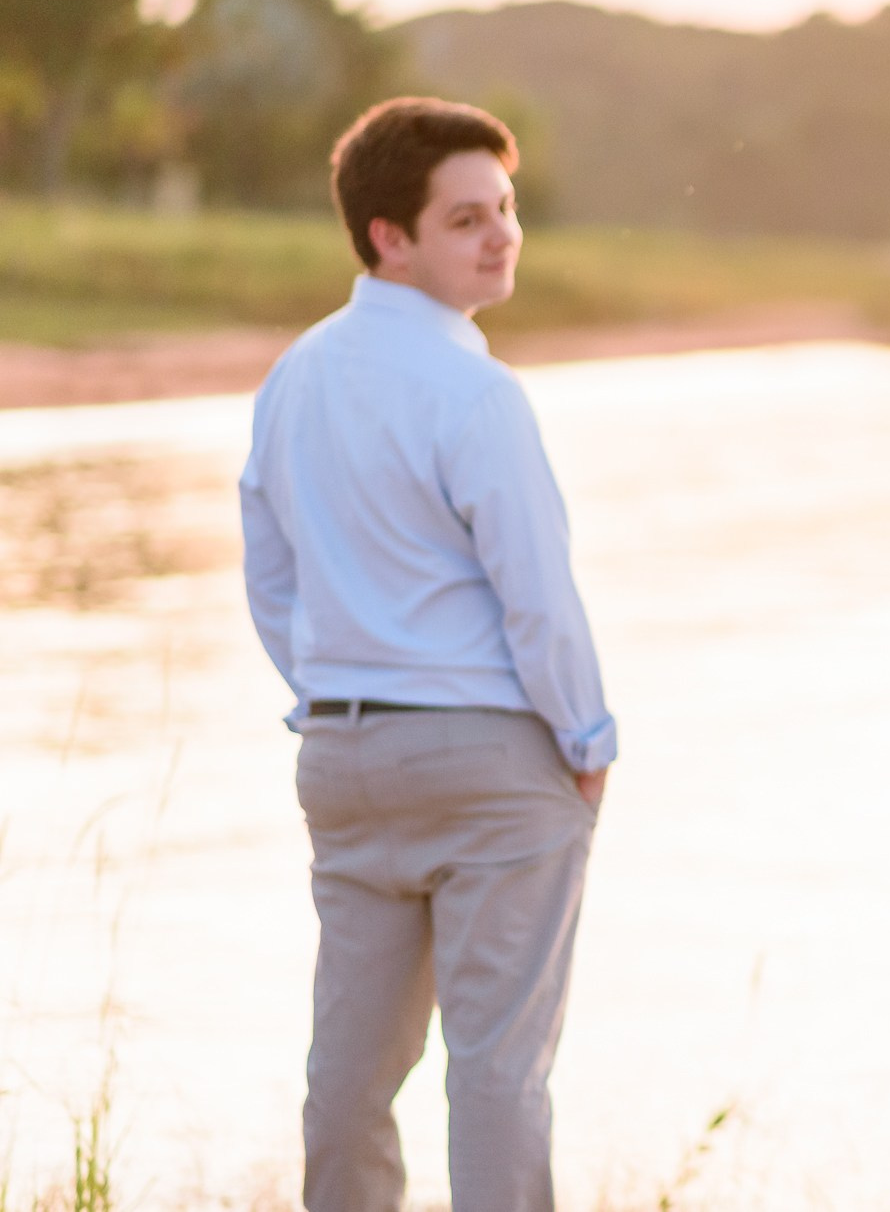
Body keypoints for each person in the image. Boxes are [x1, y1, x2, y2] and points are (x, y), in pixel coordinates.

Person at [239, 97, 616, 1212]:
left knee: (349, 1068)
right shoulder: (476, 389)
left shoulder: (293, 375)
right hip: (490, 760)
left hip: (345, 758)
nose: (501, 235)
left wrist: (332, 690)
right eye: (465, 218)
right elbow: (537, 596)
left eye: (504, 208)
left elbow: (269, 579)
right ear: (385, 236)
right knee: (499, 1067)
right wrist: (587, 740)